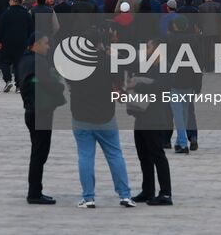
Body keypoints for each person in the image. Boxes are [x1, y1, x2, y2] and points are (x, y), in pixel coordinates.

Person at [66, 39, 135, 208]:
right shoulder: (108, 62)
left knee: (85, 156)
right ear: (100, 45)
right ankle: (125, 195)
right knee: (115, 154)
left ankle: (88, 197)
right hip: (105, 116)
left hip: (81, 115)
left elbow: (69, 84)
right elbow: (120, 87)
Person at [17, 33, 64, 204]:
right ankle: (35, 193)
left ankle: (36, 190)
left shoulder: (25, 60)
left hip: (31, 110)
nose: (48, 47)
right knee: (39, 153)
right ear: (35, 44)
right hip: (41, 111)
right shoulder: (39, 62)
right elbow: (52, 84)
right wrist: (59, 86)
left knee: (37, 151)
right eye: (45, 43)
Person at [130, 35, 173, 204]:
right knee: (144, 156)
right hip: (141, 116)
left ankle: (165, 193)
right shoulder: (147, 66)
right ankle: (147, 190)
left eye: (148, 47)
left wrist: (138, 85)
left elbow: (161, 87)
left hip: (155, 117)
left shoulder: (165, 67)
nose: (146, 50)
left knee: (157, 155)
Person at [0, 0, 34, 92]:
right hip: (22, 43)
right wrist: (30, 43)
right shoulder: (26, 14)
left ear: (12, 1)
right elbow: (31, 30)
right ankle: (18, 86)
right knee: (19, 64)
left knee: (4, 62)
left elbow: (0, 28)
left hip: (7, 42)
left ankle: (8, 80)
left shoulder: (6, 14)